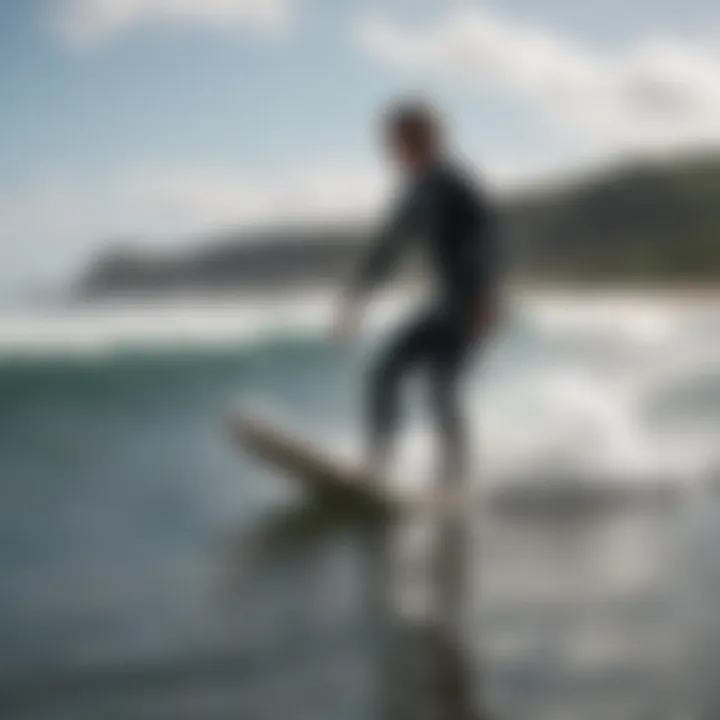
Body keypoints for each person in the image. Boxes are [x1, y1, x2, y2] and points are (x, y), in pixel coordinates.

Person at [335, 100, 500, 485]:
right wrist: (356, 298)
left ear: (427, 138)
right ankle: (379, 464)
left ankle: (454, 477)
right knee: (383, 373)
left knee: (441, 385)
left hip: (469, 303)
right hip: (444, 305)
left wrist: (485, 296)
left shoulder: (456, 185)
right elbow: (388, 247)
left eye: (399, 140)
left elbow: (488, 238)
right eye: (391, 142)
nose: (392, 150)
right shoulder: (415, 191)